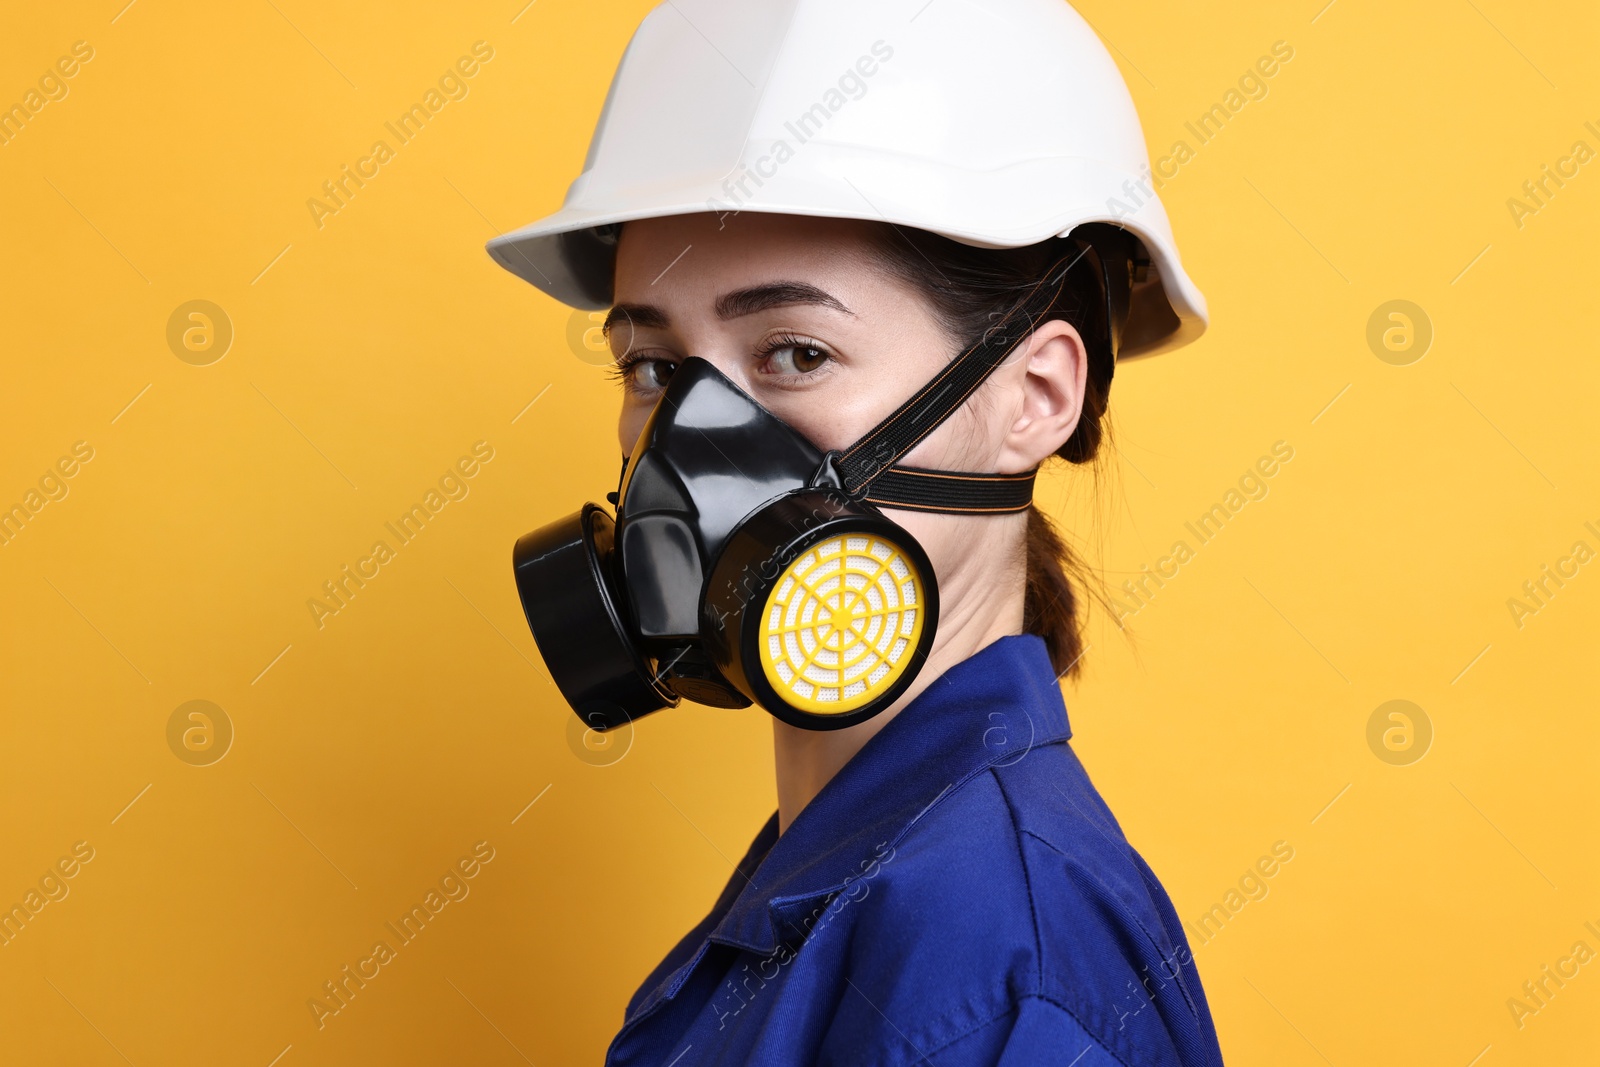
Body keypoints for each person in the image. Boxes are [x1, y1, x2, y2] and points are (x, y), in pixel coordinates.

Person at [487, 1, 1221, 1063]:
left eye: (795, 352)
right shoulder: (855, 868)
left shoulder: (998, 965)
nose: (687, 444)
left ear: (1035, 394)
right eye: (652, 366)